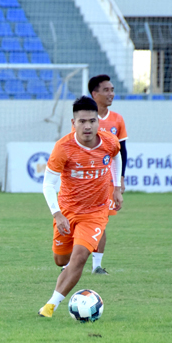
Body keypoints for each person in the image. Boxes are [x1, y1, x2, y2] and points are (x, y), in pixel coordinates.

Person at [38, 96, 122, 318]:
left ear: (98, 122)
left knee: (80, 258)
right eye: (82, 121)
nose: (88, 126)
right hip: (66, 211)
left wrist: (117, 187)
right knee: (61, 260)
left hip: (95, 212)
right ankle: (67, 273)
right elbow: (47, 184)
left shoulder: (109, 141)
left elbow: (116, 157)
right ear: (73, 123)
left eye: (92, 121)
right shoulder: (63, 148)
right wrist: (57, 214)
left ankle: (50, 306)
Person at [86, 75, 128, 274]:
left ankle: (96, 266)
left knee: (101, 221)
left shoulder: (117, 119)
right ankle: (68, 265)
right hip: (84, 181)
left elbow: (123, 151)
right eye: (106, 90)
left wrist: (120, 179)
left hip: (108, 181)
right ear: (95, 94)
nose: (111, 93)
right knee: (76, 219)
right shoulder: (85, 118)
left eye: (112, 89)